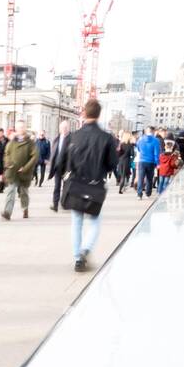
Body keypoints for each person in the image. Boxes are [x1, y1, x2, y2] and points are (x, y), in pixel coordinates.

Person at [61, 99, 117, 272]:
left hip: (77, 184)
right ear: (99, 115)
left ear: (84, 113)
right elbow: (112, 164)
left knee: (76, 221)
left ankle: (78, 258)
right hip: (95, 185)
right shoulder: (107, 138)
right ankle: (86, 248)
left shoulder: (74, 136)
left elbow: (66, 160)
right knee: (95, 221)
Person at [1, 121, 38, 220]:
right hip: (13, 172)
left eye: (22, 127)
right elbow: (6, 153)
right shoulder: (12, 142)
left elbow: (35, 157)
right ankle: (7, 212)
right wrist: (8, 162)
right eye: (19, 127)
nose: (20, 129)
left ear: (25, 128)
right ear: (16, 129)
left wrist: (25, 168)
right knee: (11, 191)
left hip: (25, 173)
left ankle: (25, 208)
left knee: (23, 192)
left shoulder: (30, 142)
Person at [47, 120, 70, 212]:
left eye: (66, 128)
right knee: (57, 186)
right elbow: (53, 152)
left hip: (67, 168)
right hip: (57, 167)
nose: (64, 129)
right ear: (60, 129)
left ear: (68, 128)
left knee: (66, 187)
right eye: (62, 128)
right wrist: (51, 162)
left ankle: (64, 203)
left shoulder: (72, 138)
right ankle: (55, 204)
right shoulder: (57, 139)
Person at [135, 125, 161, 198]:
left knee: (141, 178)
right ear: (153, 131)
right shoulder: (156, 141)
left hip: (142, 161)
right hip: (151, 162)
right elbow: (156, 153)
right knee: (149, 178)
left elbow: (138, 149)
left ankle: (139, 194)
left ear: (146, 131)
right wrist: (158, 163)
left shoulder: (140, 139)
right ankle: (148, 193)